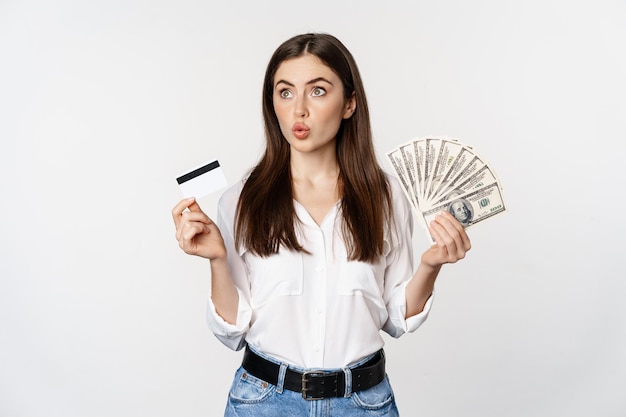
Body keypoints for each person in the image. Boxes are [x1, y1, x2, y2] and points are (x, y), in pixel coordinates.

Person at [172, 33, 471, 417]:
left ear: (349, 103)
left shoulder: (386, 196)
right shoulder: (241, 199)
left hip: (363, 403)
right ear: (272, 104)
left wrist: (431, 265)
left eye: (317, 91)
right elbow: (232, 329)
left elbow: (396, 318)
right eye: (285, 92)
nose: (298, 110)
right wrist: (215, 258)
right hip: (263, 403)